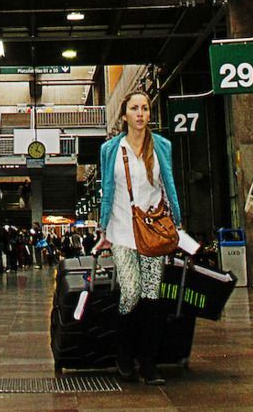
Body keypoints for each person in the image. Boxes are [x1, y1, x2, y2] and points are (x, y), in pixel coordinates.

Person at [94, 90, 182, 385]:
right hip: (121, 229)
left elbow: (168, 185)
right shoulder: (110, 150)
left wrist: (176, 224)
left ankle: (148, 362)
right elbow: (107, 191)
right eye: (135, 108)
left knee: (152, 295)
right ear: (124, 115)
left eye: (145, 108)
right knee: (131, 291)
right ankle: (123, 353)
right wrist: (102, 229)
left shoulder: (162, 146)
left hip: (153, 231)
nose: (141, 113)